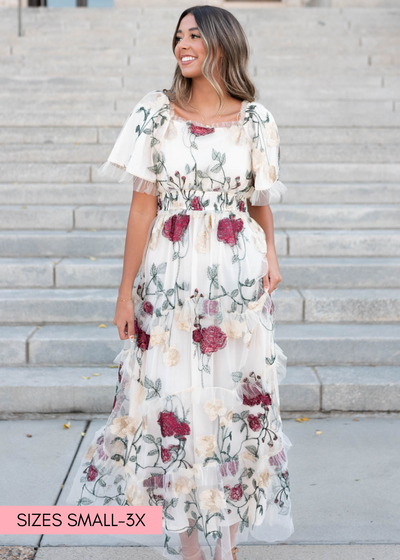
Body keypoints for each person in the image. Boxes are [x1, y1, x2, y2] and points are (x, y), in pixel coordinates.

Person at [66, 4, 294, 560]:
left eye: (194, 35)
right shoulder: (156, 113)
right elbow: (143, 208)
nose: (181, 45)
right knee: (176, 408)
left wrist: (274, 257)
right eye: (177, 37)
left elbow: (257, 198)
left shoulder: (257, 120)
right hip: (168, 280)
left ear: (222, 42)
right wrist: (124, 292)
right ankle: (190, 545)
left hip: (236, 283)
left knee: (237, 404)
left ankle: (231, 546)